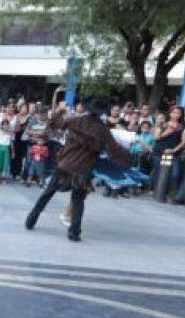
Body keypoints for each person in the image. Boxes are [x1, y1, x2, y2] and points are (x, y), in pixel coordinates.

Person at [25, 103, 130, 242]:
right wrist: (128, 158)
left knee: (48, 193)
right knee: (78, 201)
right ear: (102, 113)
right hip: (83, 169)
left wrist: (59, 111)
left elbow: (54, 124)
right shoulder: (103, 131)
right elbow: (114, 150)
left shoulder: (76, 120)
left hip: (66, 165)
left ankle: (31, 220)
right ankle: (74, 232)